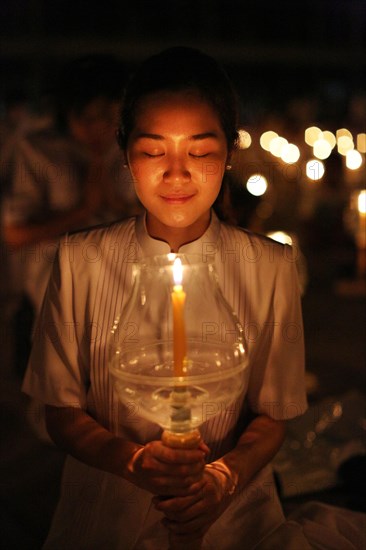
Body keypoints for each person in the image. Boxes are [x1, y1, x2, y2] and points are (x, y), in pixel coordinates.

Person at [22, 47, 309, 549]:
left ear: (228, 152)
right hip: (106, 516)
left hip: (235, 521)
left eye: (199, 151)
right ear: (126, 151)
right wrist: (131, 461)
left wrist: (223, 478)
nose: (176, 174)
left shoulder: (270, 267)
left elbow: (274, 411)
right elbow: (60, 410)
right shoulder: (80, 261)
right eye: (154, 151)